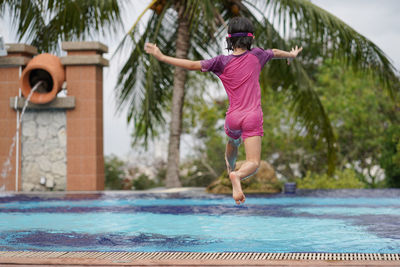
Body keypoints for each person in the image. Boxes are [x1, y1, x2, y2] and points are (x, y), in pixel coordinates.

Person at [145, 17, 302, 205]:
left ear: (229, 39)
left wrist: (161, 57)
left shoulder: (220, 61)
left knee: (233, 141)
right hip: (252, 116)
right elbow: (275, 52)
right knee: (253, 162)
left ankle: (230, 166)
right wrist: (290, 55)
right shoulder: (258, 55)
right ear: (250, 38)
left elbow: (192, 64)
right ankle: (237, 175)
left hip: (233, 117)